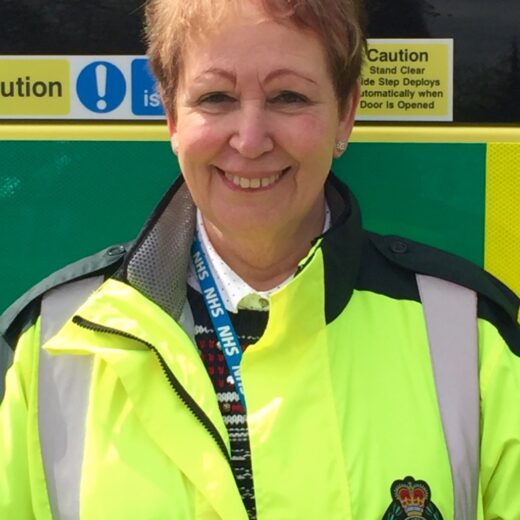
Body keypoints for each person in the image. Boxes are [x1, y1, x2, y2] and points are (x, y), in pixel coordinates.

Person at [1, 0, 519, 518]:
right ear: (170, 115)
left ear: (346, 113)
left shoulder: (473, 338)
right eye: (216, 97)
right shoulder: (46, 346)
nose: (250, 141)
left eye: (288, 97)